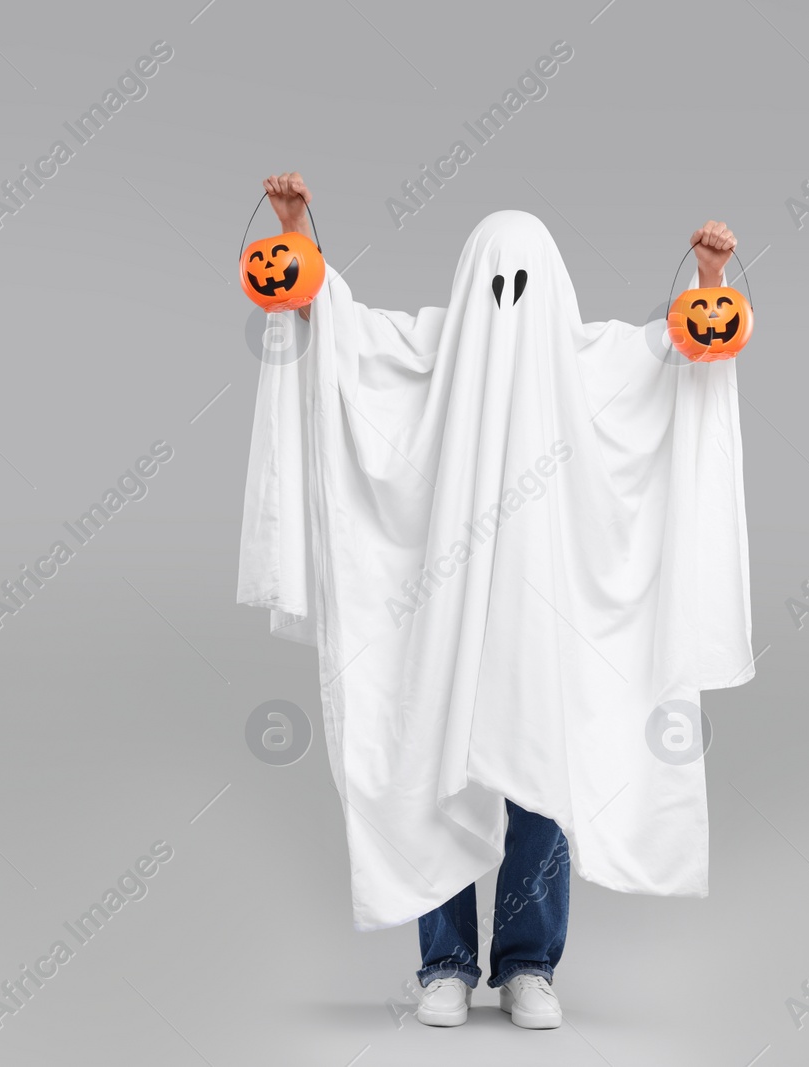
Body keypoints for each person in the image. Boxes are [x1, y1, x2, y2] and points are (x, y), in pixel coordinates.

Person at [246, 172, 748, 1031]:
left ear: (552, 290)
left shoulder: (585, 361)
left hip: (546, 609)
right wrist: (296, 234)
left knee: (541, 772)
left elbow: (679, 363)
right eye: (494, 285)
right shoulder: (437, 352)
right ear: (468, 287)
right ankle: (443, 961)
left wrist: (709, 288)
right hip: (442, 609)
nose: (507, 307)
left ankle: (526, 964)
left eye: (524, 286)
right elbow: (344, 334)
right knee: (429, 764)